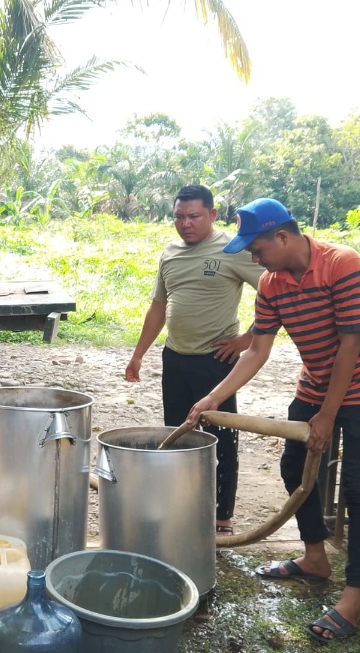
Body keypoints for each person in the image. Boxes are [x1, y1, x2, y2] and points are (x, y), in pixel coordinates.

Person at [187, 198, 360, 644]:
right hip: (318, 381)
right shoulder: (271, 283)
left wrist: (327, 415)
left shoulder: (344, 266)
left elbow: (351, 347)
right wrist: (212, 397)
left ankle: (353, 597)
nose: (253, 256)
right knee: (293, 467)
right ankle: (314, 558)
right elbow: (257, 350)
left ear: (282, 236)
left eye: (257, 247)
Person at [125, 185, 264, 535]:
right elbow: (158, 306)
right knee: (178, 434)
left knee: (222, 439)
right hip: (176, 359)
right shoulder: (170, 253)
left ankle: (221, 519)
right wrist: (138, 354)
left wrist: (247, 338)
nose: (185, 224)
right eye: (179, 217)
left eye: (194, 216)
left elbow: (275, 291)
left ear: (213, 215)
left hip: (215, 362)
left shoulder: (233, 249)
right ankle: (181, 509)